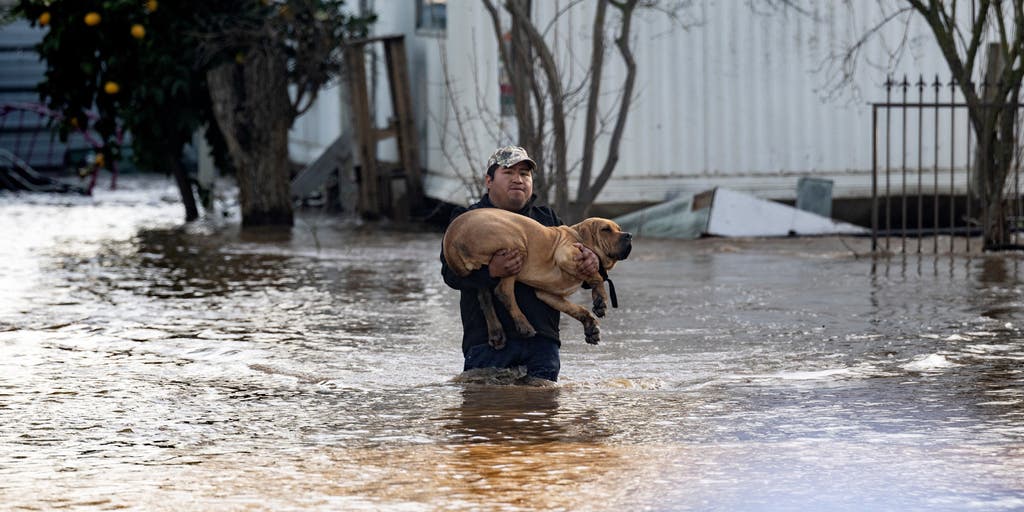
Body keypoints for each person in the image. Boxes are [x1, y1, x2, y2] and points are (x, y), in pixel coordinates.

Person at [441, 145, 599, 383]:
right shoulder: (468, 219)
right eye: (508, 172)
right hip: (488, 343)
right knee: (486, 417)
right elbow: (450, 274)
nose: (518, 179)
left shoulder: (548, 220)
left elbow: (574, 271)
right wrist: (491, 272)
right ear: (489, 181)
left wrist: (592, 264)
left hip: (542, 343)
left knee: (542, 416)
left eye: (524, 174)